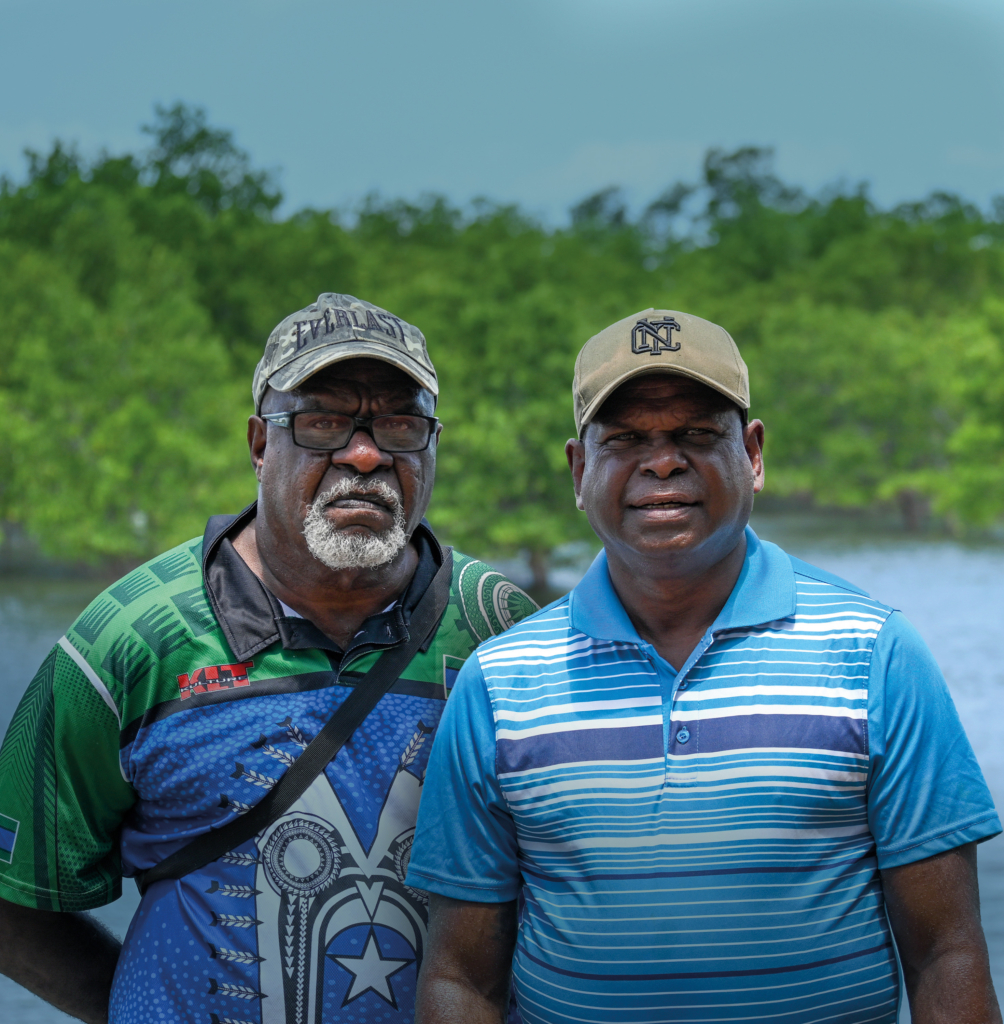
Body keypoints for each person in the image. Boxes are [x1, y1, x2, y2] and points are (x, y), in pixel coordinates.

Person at [406, 308, 1002, 1024]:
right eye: (625, 438)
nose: (662, 461)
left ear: (752, 453)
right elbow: (462, 979)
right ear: (578, 467)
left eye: (696, 434)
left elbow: (946, 955)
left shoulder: (875, 653)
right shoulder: (499, 683)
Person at [0, 293, 537, 1024]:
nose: (365, 453)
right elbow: (15, 899)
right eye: (320, 422)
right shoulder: (128, 640)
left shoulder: (502, 631)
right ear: (259, 443)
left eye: (402, 423)